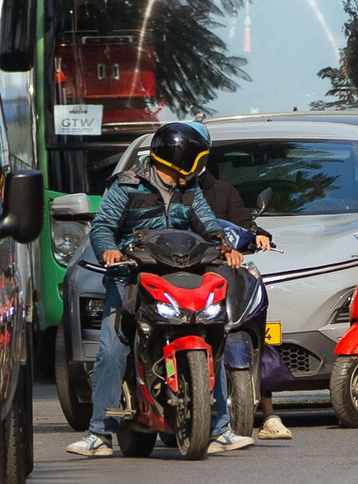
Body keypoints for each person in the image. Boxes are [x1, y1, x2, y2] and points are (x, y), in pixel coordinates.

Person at [68, 121, 245, 458]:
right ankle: (99, 433)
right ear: (183, 158)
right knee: (113, 345)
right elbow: (103, 227)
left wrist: (224, 246)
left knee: (210, 335)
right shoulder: (126, 185)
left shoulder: (190, 189)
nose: (200, 165)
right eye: (197, 158)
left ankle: (221, 429)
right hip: (130, 275)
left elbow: (208, 225)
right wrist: (109, 250)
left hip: (180, 275)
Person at [179, 123, 290, 442]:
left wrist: (259, 237)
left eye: (193, 153)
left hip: (221, 275)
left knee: (252, 327)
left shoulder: (223, 191)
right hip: (182, 278)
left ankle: (268, 411)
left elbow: (244, 224)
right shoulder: (168, 193)